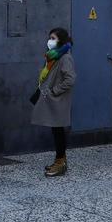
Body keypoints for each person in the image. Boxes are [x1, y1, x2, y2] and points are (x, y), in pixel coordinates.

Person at [31, 27, 76, 177]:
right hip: (53, 101)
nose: (50, 41)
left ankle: (60, 162)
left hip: (58, 100)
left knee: (58, 132)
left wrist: (54, 91)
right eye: (50, 37)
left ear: (61, 40)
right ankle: (59, 160)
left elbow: (70, 79)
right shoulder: (54, 56)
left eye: (53, 38)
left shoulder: (65, 58)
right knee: (56, 131)